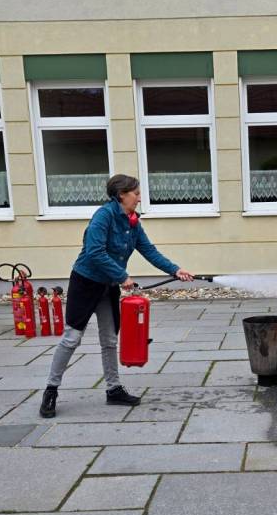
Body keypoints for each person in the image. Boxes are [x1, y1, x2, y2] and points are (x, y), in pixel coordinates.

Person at [39, 174, 193, 418]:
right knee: (71, 338)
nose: (139, 198)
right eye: (136, 193)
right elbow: (94, 252)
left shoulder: (132, 221)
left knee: (109, 339)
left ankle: (113, 389)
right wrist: (122, 276)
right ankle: (51, 390)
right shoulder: (104, 216)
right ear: (121, 194)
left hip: (108, 286)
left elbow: (148, 250)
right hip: (85, 283)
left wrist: (175, 270)